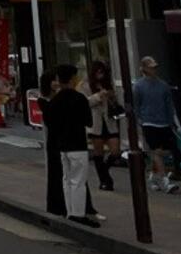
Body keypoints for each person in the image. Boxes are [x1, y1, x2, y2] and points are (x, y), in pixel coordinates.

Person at [44, 64, 99, 227]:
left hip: (62, 145)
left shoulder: (54, 101)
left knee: (67, 179)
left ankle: (70, 212)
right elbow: (88, 121)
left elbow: (49, 123)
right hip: (78, 144)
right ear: (72, 79)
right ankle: (78, 214)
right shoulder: (79, 98)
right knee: (78, 181)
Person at [133, 57, 181, 193]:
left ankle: (154, 176)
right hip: (148, 122)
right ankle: (165, 180)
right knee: (156, 152)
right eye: (150, 67)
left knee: (164, 152)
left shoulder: (163, 85)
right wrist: (139, 121)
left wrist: (172, 121)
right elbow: (136, 105)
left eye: (154, 67)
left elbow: (169, 105)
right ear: (144, 68)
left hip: (164, 123)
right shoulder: (138, 85)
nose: (153, 69)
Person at [86, 60, 122, 192]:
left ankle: (104, 171)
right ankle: (104, 179)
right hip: (96, 123)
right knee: (98, 151)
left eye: (102, 72)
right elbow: (85, 102)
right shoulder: (86, 84)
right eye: (98, 72)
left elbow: (116, 101)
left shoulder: (108, 84)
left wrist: (111, 96)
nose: (100, 74)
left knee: (115, 151)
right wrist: (98, 96)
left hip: (110, 122)